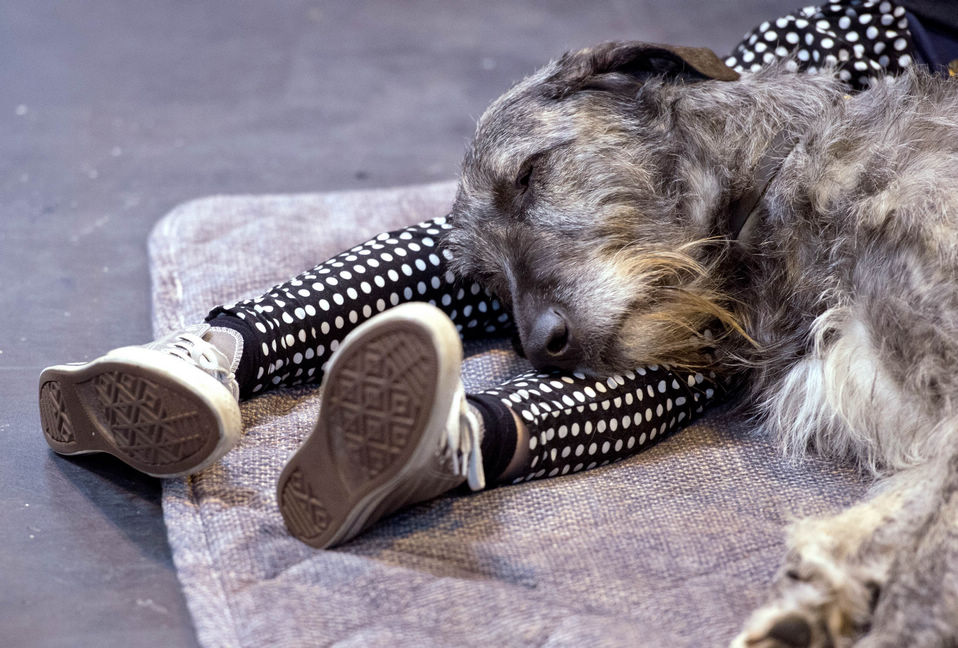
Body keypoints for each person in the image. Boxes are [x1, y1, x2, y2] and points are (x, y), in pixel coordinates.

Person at [38, 1, 957, 548]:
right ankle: (221, 353)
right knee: (492, 230)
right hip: (875, 35)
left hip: (920, 96)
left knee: (692, 332)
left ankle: (456, 441)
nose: (536, 333)